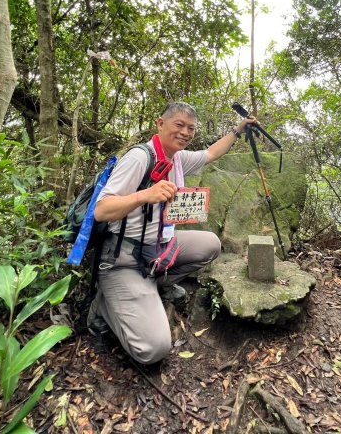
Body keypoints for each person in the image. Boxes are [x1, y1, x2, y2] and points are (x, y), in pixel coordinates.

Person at [88, 101, 257, 365]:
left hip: (158, 248)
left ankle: (153, 286)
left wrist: (238, 130)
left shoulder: (178, 158)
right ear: (160, 124)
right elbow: (101, 210)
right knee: (154, 350)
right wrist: (146, 195)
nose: (185, 133)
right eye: (179, 125)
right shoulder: (140, 158)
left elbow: (211, 153)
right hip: (122, 260)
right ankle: (104, 304)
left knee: (210, 245)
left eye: (190, 128)